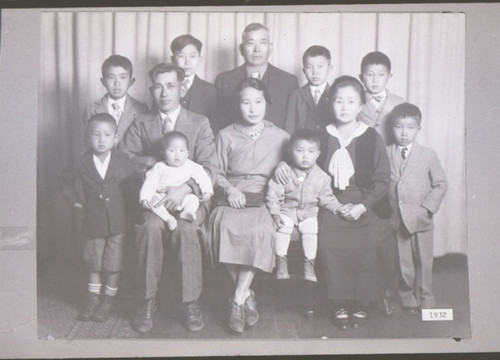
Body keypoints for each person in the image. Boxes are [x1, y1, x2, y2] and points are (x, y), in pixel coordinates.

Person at [273, 76, 391, 330]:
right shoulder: (320, 136)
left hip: (364, 202)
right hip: (327, 201)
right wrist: (283, 165)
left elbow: (382, 181)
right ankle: (338, 301)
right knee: (327, 239)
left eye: (351, 102)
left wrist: (362, 206)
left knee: (370, 240)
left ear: (361, 106)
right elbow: (298, 161)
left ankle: (361, 301)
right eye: (339, 101)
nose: (345, 107)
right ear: (331, 104)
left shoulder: (372, 137)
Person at [119, 63, 219, 333]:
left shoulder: (199, 123)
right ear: (151, 89)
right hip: (156, 199)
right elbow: (123, 161)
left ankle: (190, 302)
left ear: (182, 87)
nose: (164, 92)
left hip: (190, 199)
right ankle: (147, 300)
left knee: (186, 231)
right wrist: (150, 162)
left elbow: (210, 168)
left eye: (171, 85)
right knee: (150, 227)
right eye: (158, 86)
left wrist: (185, 187)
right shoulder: (142, 123)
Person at [208, 78, 289, 334]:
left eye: (258, 102)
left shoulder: (281, 136)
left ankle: (237, 299)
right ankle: (247, 296)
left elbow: (298, 164)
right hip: (231, 193)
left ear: (266, 103)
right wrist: (229, 189)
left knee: (259, 231)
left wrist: (286, 166)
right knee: (222, 227)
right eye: (246, 102)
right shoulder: (225, 134)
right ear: (238, 105)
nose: (253, 108)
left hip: (263, 196)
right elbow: (214, 171)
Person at [61, 113, 135, 322]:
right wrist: (75, 202)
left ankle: (108, 300)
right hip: (93, 222)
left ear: (116, 137)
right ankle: (93, 298)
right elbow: (65, 182)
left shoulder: (124, 160)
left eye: (107, 135)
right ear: (87, 137)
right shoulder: (82, 161)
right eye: (96, 134)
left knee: (113, 263)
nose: (102, 140)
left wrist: (132, 213)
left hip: (118, 223)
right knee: (93, 261)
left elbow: (132, 188)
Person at [386, 103, 448, 315]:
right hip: (397, 219)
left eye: (410, 127)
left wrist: (427, 208)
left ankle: (426, 298)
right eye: (399, 126)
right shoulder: (385, 153)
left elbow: (440, 184)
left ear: (418, 128)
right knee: (405, 263)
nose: (404, 132)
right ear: (391, 127)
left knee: (424, 261)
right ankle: (408, 298)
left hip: (421, 218)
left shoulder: (428, 155)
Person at [266, 128, 342, 283]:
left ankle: (309, 264)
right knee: (283, 226)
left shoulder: (322, 177)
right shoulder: (284, 171)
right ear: (290, 152)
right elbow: (273, 194)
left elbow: (327, 198)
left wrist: (339, 207)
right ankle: (281, 261)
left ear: (317, 154)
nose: (305, 155)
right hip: (286, 210)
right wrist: (275, 213)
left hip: (308, 212)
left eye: (311, 151)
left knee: (311, 228)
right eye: (299, 151)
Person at [214, 23, 298, 132]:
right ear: (241, 49)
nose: (257, 49)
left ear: (270, 48)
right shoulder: (224, 80)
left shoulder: (288, 82)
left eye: (263, 43)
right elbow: (217, 123)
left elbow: (291, 126)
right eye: (251, 43)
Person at [140, 131, 213, 231]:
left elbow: (203, 178)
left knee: (193, 199)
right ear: (163, 153)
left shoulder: (192, 166)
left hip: (183, 199)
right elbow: (149, 183)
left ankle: (186, 212)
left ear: (188, 153)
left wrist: (207, 191)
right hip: (162, 198)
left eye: (181, 151)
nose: (177, 155)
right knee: (153, 202)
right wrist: (145, 198)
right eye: (171, 150)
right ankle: (168, 218)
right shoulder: (159, 167)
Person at [83, 55, 149, 146]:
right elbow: (88, 144)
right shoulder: (92, 110)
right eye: (111, 77)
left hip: (132, 160)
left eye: (123, 77)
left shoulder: (141, 109)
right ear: (103, 81)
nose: (117, 83)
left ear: (131, 81)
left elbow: (144, 144)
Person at [357, 51, 405, 144]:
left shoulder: (400, 102)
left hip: (390, 156)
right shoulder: (355, 102)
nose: (375, 80)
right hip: (361, 155)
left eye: (381, 75)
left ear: (389, 76)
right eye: (369, 75)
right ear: (361, 77)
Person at [284, 45, 333, 134]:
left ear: (330, 68)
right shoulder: (296, 95)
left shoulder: (335, 94)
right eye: (310, 67)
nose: (315, 72)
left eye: (320, 66)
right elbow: (289, 128)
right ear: (304, 70)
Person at [170, 34, 217, 125]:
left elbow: (214, 126)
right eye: (181, 56)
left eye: (192, 56)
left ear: (200, 59)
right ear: (172, 60)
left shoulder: (210, 90)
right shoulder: (164, 88)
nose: (187, 62)